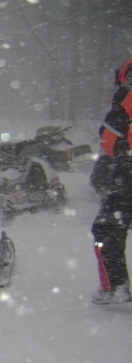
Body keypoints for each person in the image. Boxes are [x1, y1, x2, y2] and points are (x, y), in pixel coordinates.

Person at [91, 57, 132, 304]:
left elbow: (109, 141)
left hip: (127, 180)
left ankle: (115, 286)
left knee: (105, 230)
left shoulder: (126, 101)